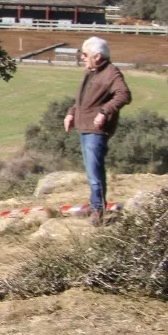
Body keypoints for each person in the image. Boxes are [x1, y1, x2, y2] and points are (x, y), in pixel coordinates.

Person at [62, 36, 131, 226]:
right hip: (84, 127)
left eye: (85, 54)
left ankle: (98, 212)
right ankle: (95, 206)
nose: (82, 57)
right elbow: (82, 100)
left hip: (97, 130)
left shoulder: (111, 73)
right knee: (91, 172)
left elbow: (124, 95)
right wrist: (71, 113)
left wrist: (104, 112)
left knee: (94, 173)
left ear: (98, 57)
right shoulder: (90, 72)